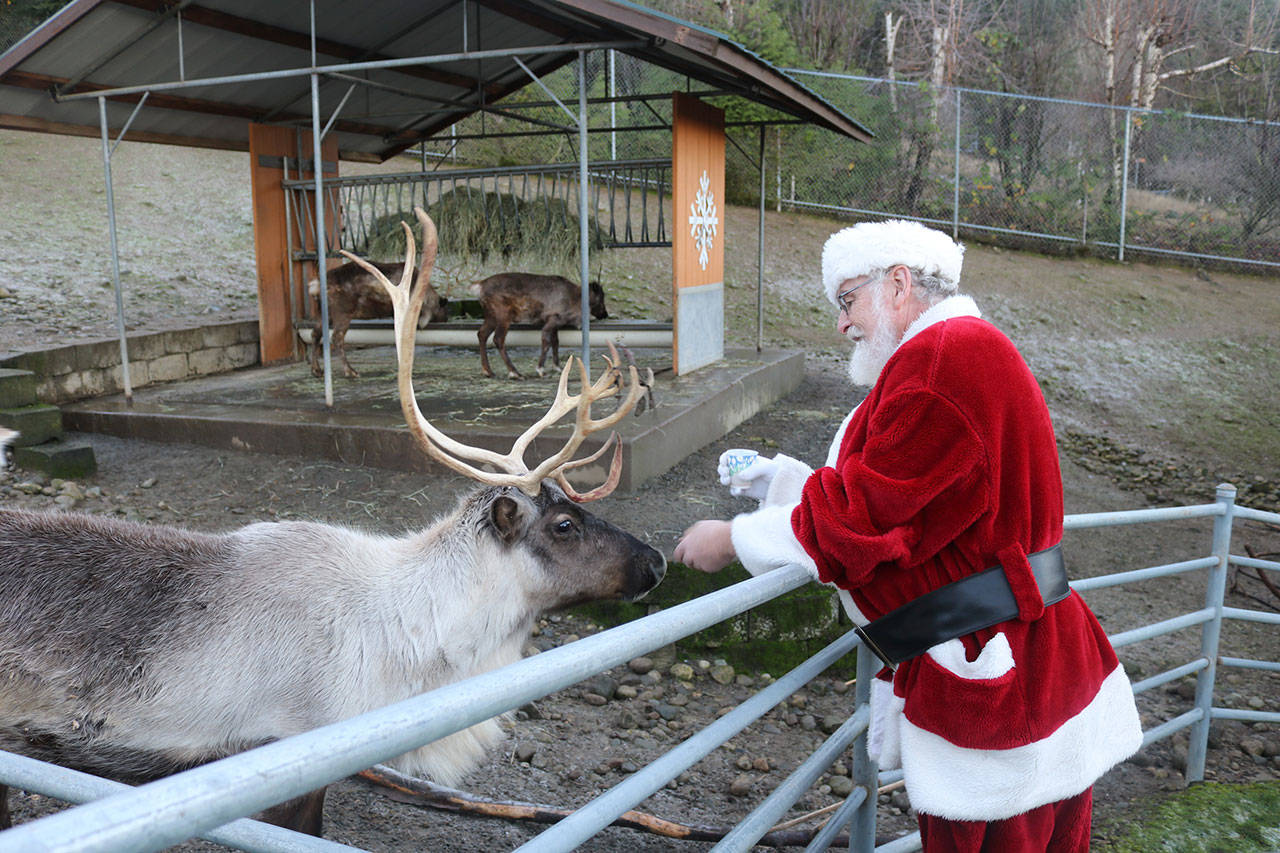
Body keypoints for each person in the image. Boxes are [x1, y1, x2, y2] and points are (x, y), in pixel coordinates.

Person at [674, 220, 1142, 852]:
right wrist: (784, 486)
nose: (842, 324)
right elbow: (914, 502)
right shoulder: (958, 352)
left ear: (897, 285)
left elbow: (863, 522)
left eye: (847, 300)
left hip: (1001, 671)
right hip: (1031, 655)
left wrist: (732, 538)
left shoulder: (938, 364)